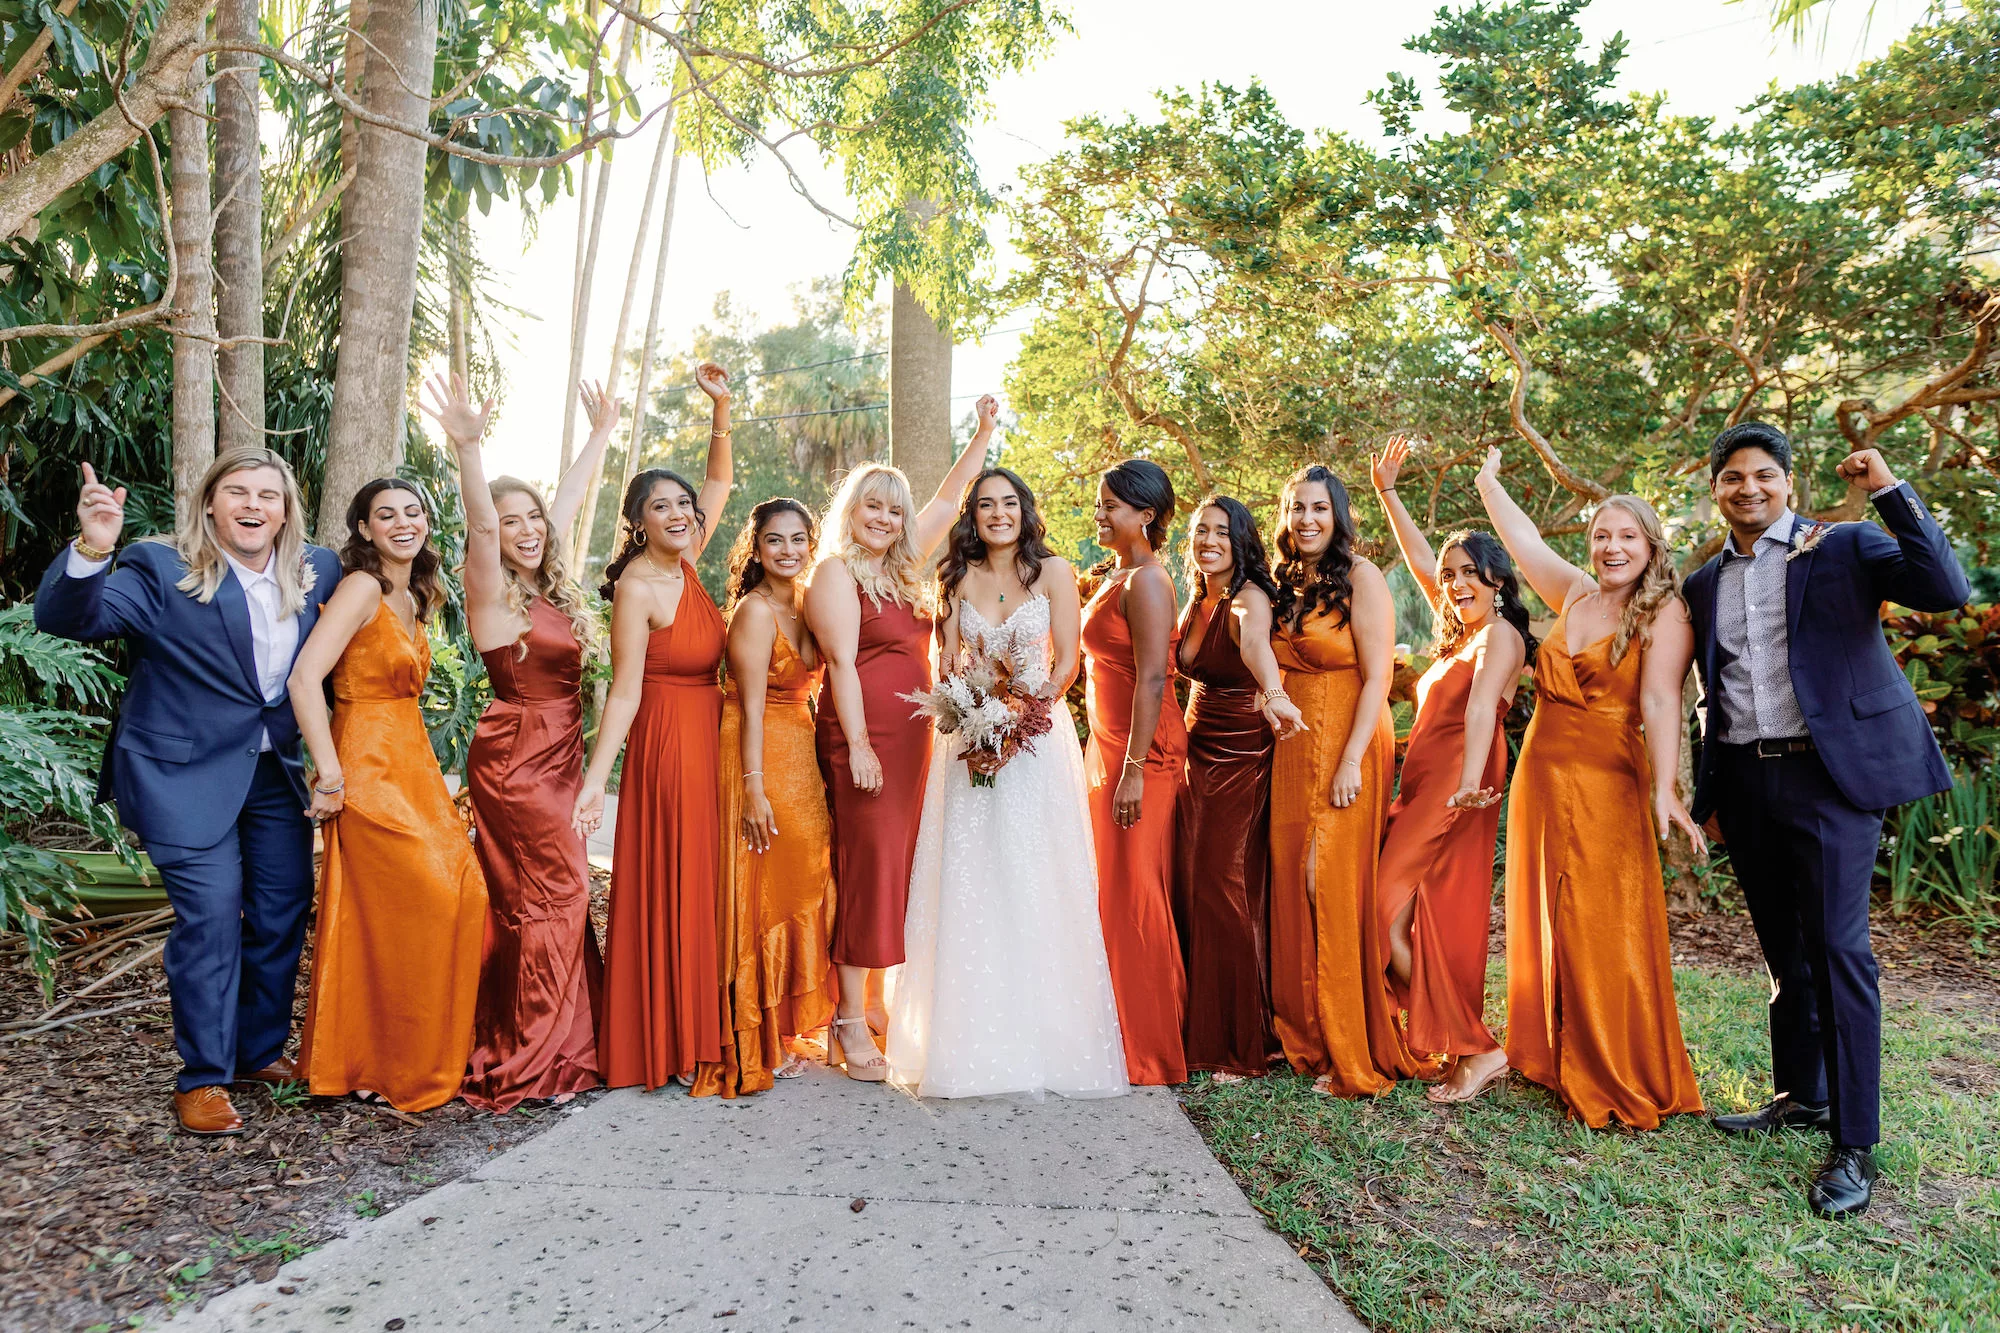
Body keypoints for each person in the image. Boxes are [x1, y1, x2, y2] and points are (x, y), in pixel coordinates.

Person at [1686, 424, 1968, 1219]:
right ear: (1717, 489)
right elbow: (1715, 687)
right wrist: (1708, 793)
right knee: (1784, 953)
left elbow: (1945, 588)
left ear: (1788, 481)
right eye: (1733, 477)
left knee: (1841, 953)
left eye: (1764, 475)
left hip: (1830, 779)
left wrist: (1888, 488)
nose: (1749, 488)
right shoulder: (1705, 582)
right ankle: (1800, 1095)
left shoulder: (1842, 545)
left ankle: (1854, 1143)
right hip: (1746, 781)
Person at [35, 451, 342, 1136]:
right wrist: (93, 548)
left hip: (272, 772)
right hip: (181, 772)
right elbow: (66, 619)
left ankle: (254, 1050)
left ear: (286, 510)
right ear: (210, 503)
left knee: (283, 908)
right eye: (237, 491)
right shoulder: (159, 568)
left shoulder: (319, 568)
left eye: (268, 494)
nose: (253, 504)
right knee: (209, 916)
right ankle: (202, 1077)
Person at [1475, 447, 1705, 1131]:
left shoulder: (1665, 612)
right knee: (1547, 911)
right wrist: (1490, 483)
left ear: (1650, 544)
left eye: (1626, 535)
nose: (1611, 546)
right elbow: (1524, 542)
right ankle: (1550, 1052)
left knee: (1601, 918)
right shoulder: (1575, 591)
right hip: (1541, 776)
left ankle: (1612, 1063)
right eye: (1602, 535)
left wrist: (1665, 789)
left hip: (1609, 780)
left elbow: (1662, 703)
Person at [889, 468, 1129, 1100]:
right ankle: (965, 1040)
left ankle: (1047, 1040)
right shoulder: (957, 578)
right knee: (972, 878)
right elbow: (948, 664)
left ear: (1025, 510)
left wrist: (1027, 713)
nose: (999, 513)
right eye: (986, 504)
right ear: (974, 515)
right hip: (969, 741)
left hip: (1038, 744)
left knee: (1034, 875)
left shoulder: (1053, 573)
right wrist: (968, 715)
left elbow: (1070, 661)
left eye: (1009, 503)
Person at [423, 372, 613, 1113]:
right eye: (512, 523)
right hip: (519, 761)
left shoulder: (544, 586)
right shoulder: (489, 589)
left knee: (551, 898)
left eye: (531, 518)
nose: (527, 530)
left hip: (560, 752)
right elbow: (477, 525)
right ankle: (532, 1057)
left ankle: (570, 1046)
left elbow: (560, 509)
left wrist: (599, 435)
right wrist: (469, 448)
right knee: (553, 896)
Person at [803, 399, 996, 1081]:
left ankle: (875, 1012)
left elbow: (949, 495)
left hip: (914, 748)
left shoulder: (904, 569)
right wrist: (856, 745)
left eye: (893, 510)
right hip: (867, 738)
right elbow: (842, 666)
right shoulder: (834, 572)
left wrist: (981, 435)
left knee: (899, 872)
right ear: (850, 512)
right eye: (872, 508)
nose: (884, 520)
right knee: (869, 872)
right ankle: (847, 1022)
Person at [289, 479, 489, 1113]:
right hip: (366, 766)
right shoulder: (361, 588)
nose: (403, 522)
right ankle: (379, 1061)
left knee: (460, 891)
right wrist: (330, 775)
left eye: (413, 511)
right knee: (423, 897)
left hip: (412, 763)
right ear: (365, 529)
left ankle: (405, 1052)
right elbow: (304, 678)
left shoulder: (413, 593)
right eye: (386, 515)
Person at [572, 362, 736, 1091]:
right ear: (636, 520)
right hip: (669, 740)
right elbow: (625, 693)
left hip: (713, 731)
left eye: (682, 504)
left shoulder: (689, 563)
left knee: (704, 883)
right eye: (660, 506)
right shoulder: (638, 585)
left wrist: (722, 411)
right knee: (676, 880)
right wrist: (596, 780)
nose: (678, 513)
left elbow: (722, 487)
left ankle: (700, 1025)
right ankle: (666, 1038)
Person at [1369, 438, 1529, 1104]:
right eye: (1452, 572)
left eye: (1469, 572)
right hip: (1431, 777)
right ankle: (1444, 1030)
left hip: (1461, 781)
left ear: (1497, 578)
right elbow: (1416, 561)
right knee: (1409, 912)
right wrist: (1387, 491)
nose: (1456, 583)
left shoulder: (1501, 635)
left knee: (1382, 908)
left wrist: (1466, 783)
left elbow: (1482, 709)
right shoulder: (1463, 629)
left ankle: (1479, 1046)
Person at [1265, 464, 1427, 1095]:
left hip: (1349, 737)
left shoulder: (1361, 578)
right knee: (1292, 881)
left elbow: (1380, 677)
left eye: (1319, 509)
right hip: (1293, 749)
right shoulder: (1283, 582)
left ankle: (1349, 1045)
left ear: (1337, 516)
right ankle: (1304, 1034)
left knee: (1324, 880)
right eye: (1296, 508)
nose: (1307, 520)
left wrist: (1354, 759)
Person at [692, 499, 838, 1098]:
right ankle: (753, 1033)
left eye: (799, 539)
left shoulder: (807, 602)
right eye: (775, 541)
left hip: (800, 747)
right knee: (763, 881)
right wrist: (752, 787)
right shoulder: (754, 612)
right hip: (755, 752)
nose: (789, 550)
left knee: (806, 869)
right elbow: (748, 705)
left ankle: (783, 1023)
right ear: (756, 550)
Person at [1171, 495, 1305, 1080]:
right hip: (1194, 752)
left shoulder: (1249, 597)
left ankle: (1241, 1039)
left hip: (1241, 753)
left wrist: (1273, 694)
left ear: (1241, 538)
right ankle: (1195, 1024)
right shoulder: (1198, 596)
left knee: (1226, 885)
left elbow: (1254, 645)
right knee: (1194, 879)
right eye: (1201, 530)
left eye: (1221, 532)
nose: (1209, 540)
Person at [1081, 458, 1189, 1087]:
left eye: (1111, 506)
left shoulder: (1148, 580)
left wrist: (1132, 770)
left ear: (1146, 516)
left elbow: (1154, 677)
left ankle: (1149, 1051)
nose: (1100, 514)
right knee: (1113, 893)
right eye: (1100, 503)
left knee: (1135, 893)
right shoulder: (1116, 573)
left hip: (1143, 754)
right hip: (1112, 745)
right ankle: (1118, 1029)